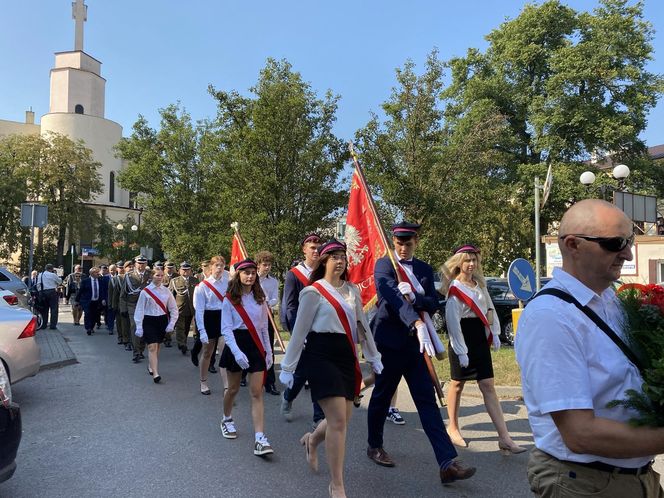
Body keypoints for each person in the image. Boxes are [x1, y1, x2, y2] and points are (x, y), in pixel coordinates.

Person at [516, 199, 664, 497]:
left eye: (630, 240)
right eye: (615, 242)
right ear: (573, 245)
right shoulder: (551, 317)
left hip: (634, 476)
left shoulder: (612, 301)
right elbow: (580, 434)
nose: (628, 252)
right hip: (585, 483)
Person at [366, 222, 476, 485]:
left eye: (408, 243)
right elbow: (389, 295)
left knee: (426, 402)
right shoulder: (384, 265)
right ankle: (374, 445)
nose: (403, 248)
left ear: (416, 242)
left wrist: (415, 298)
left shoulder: (424, 269)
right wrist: (413, 320)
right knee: (381, 396)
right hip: (390, 342)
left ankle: (447, 462)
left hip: (417, 345)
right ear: (393, 242)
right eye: (399, 243)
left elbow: (432, 302)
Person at [279, 240, 382, 498]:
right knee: (338, 421)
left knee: (342, 419)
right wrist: (288, 367)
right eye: (333, 256)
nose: (339, 260)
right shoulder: (313, 292)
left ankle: (312, 440)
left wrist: (373, 356)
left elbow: (362, 327)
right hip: (320, 354)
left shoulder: (352, 291)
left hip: (346, 355)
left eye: (342, 256)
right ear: (324, 261)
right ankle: (337, 484)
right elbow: (300, 330)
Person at [441, 244, 525, 453]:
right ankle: (452, 426)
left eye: (474, 260)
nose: (471, 264)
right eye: (467, 260)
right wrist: (461, 352)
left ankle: (504, 437)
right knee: (457, 384)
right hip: (462, 337)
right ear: (458, 263)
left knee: (488, 385)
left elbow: (489, 308)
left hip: (478, 336)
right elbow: (453, 324)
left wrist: (495, 332)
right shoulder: (455, 289)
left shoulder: (480, 284)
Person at [219, 259, 275, 457]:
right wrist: (236, 352)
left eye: (253, 273)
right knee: (233, 389)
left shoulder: (260, 297)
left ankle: (260, 438)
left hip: (256, 345)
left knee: (256, 393)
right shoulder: (229, 299)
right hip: (237, 343)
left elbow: (263, 327)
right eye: (246, 273)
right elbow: (225, 328)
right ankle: (226, 418)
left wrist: (268, 351)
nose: (250, 276)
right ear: (238, 275)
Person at [280, 233, 326, 427]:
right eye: (312, 247)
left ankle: (318, 416)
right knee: (301, 373)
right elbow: (289, 306)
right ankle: (289, 397)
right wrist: (298, 333)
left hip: (323, 329)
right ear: (304, 250)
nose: (316, 251)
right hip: (303, 330)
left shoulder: (325, 272)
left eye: (318, 247)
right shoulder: (294, 274)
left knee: (320, 374)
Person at [134, 268, 178, 383]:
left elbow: (173, 308)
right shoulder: (145, 292)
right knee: (152, 346)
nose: (160, 277)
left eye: (161, 275)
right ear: (152, 276)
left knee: (157, 346)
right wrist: (139, 325)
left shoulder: (166, 291)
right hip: (148, 321)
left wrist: (171, 323)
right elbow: (139, 310)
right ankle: (156, 373)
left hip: (162, 320)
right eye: (157, 275)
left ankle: (151, 365)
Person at [193, 256, 229, 395]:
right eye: (217, 265)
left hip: (223, 318)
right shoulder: (203, 286)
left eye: (222, 265)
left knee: (224, 351)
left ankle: (226, 385)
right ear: (211, 267)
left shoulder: (227, 283)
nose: (220, 268)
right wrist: (201, 330)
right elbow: (199, 310)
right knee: (207, 352)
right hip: (208, 318)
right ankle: (203, 381)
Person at [255, 250, 280, 396]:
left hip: (267, 317)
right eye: (265, 264)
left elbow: (275, 298)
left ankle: (270, 382)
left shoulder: (273, 281)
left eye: (269, 265)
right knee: (251, 347)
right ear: (258, 265)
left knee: (268, 348)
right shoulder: (251, 278)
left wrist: (268, 302)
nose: (267, 267)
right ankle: (246, 375)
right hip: (252, 318)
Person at [122, 255, 152, 363]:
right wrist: (123, 308)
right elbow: (123, 293)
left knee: (144, 327)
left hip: (147, 306)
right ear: (135, 264)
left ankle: (141, 349)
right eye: (139, 263)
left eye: (143, 263)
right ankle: (136, 352)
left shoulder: (151, 275)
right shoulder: (129, 276)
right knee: (135, 326)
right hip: (132, 305)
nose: (141, 265)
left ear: (146, 264)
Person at [169, 261, 197, 355]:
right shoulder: (174, 281)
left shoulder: (195, 280)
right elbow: (171, 295)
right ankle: (182, 344)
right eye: (183, 270)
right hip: (179, 308)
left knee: (187, 327)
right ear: (179, 270)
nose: (185, 271)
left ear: (190, 270)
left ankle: (183, 341)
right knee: (180, 327)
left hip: (191, 308)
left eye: (187, 269)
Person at [76, 266, 107, 336]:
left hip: (96, 301)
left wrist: (103, 299)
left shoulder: (100, 281)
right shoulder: (85, 281)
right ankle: (88, 328)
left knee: (94, 315)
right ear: (92, 273)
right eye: (96, 273)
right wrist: (77, 301)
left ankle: (92, 326)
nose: (98, 274)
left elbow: (102, 291)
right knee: (87, 314)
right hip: (87, 301)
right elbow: (80, 291)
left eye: (98, 272)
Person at [36, 263, 63, 330]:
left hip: (42, 293)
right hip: (52, 292)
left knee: (44, 309)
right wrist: (58, 276)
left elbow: (38, 284)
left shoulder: (40, 275)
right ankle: (53, 325)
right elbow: (59, 282)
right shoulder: (53, 275)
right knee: (54, 309)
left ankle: (43, 324)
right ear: (51, 269)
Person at [117, 260, 133, 350]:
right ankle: (126, 341)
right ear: (125, 268)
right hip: (125, 304)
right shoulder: (121, 278)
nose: (131, 268)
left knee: (134, 325)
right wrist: (122, 307)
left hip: (135, 305)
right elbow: (120, 295)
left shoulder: (136, 277)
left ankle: (135, 343)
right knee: (125, 325)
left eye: (132, 267)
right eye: (129, 267)